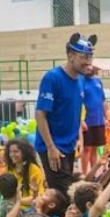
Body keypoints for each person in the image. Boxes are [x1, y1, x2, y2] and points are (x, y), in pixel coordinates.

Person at [35, 33, 95, 195]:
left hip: (69, 146)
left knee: (64, 195)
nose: (88, 63)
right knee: (67, 196)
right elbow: (40, 114)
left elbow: (75, 113)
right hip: (54, 147)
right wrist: (51, 147)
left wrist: (78, 139)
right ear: (71, 56)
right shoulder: (52, 78)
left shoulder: (81, 80)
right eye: (84, 57)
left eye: (90, 58)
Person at [4, 138, 46, 209]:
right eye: (10, 152)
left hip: (28, 210)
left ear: (24, 152)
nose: (12, 155)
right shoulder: (8, 169)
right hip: (10, 208)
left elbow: (35, 199)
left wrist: (14, 201)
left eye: (16, 151)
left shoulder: (34, 169)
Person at [81, 66, 106, 176]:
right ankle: (84, 174)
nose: (89, 69)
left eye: (91, 67)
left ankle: (93, 173)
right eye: (87, 67)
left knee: (95, 148)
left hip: (99, 120)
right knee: (87, 148)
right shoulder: (80, 82)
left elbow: (103, 100)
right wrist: (81, 120)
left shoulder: (98, 81)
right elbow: (78, 102)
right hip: (87, 121)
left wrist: (106, 117)